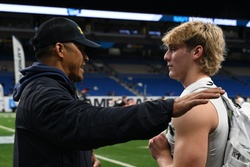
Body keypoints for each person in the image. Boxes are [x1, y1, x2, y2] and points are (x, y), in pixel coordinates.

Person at [12, 17, 225, 167]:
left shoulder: (46, 88)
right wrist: (167, 107)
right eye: (82, 49)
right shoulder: (42, 92)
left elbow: (67, 129)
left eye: (173, 49)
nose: (86, 58)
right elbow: (83, 122)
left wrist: (83, 158)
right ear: (59, 49)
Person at [148, 21, 229, 167]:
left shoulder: (195, 105)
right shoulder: (208, 95)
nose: (166, 56)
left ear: (196, 52)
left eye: (173, 49)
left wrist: (162, 155)